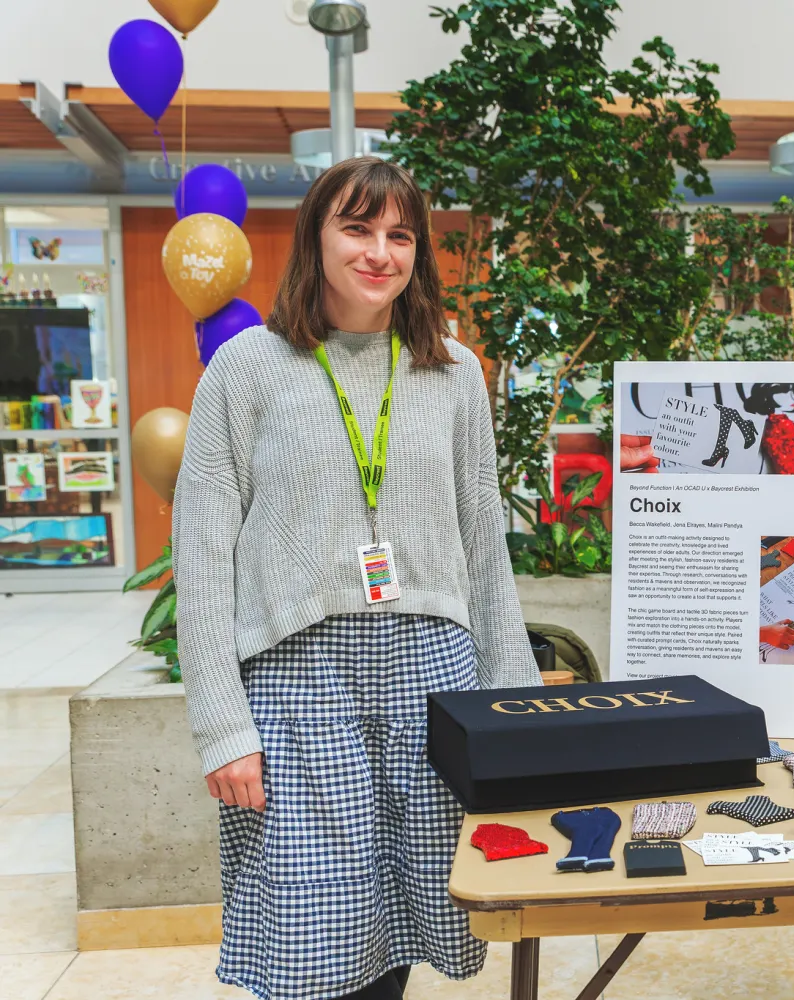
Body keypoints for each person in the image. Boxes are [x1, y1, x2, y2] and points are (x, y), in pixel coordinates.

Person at [173, 156, 542, 1000]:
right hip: (301, 683)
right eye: (358, 228)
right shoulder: (247, 367)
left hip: (434, 680)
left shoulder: (454, 371)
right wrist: (223, 726)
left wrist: (515, 714)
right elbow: (202, 556)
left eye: (400, 235)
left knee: (409, 916)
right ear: (316, 237)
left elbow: (485, 548)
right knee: (314, 942)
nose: (380, 252)